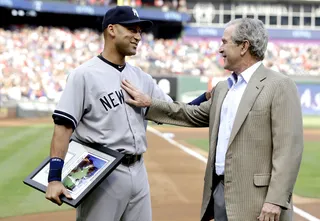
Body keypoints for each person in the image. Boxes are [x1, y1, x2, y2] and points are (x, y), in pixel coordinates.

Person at [121, 18, 304, 221]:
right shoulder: (224, 88)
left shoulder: (279, 85)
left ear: (244, 46)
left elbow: (289, 149)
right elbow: (190, 113)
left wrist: (275, 200)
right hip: (220, 193)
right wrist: (149, 103)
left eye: (225, 42)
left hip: (259, 201)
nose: (219, 49)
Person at [44, 5, 210, 221]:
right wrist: (54, 178)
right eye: (132, 29)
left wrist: (205, 98)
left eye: (140, 31)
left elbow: (173, 111)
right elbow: (63, 127)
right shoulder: (84, 75)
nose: (138, 36)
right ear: (111, 30)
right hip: (100, 172)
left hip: (138, 170)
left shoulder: (142, 78)